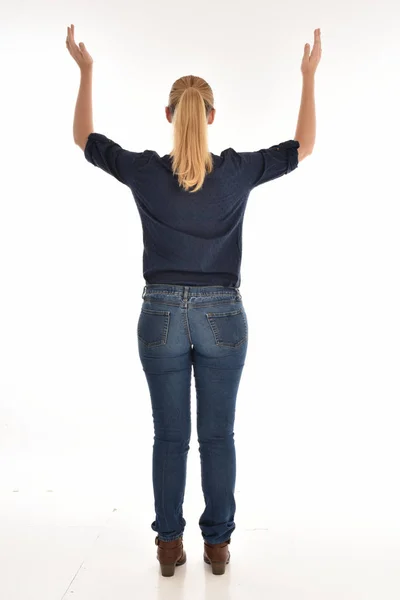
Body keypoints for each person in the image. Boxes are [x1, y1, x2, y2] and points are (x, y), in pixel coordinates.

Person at [67, 25, 322, 577]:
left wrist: (85, 73)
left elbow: (84, 138)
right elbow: (303, 147)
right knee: (217, 436)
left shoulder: (143, 171)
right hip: (222, 317)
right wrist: (309, 77)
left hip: (158, 314)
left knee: (169, 436)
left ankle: (167, 544)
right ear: (209, 115)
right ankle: (217, 546)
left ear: (169, 115)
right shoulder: (234, 170)